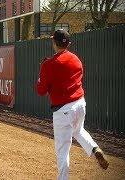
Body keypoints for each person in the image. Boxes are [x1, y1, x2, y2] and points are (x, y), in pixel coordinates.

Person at [36, 29, 109, 180]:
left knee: (62, 150)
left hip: (63, 109)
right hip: (80, 103)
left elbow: (41, 90)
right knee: (78, 130)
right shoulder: (76, 59)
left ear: (54, 43)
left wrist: (42, 73)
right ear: (68, 44)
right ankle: (94, 148)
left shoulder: (49, 64)